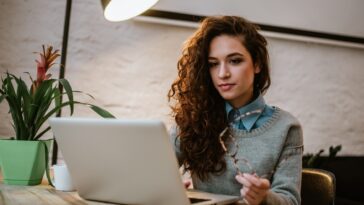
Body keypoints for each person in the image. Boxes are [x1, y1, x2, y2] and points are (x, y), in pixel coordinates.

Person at [168, 16, 303, 205]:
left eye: (235, 61)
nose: (223, 73)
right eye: (213, 64)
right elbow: (156, 173)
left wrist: (264, 197)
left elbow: (290, 200)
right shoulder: (192, 118)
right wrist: (169, 190)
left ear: (257, 64)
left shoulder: (286, 127)